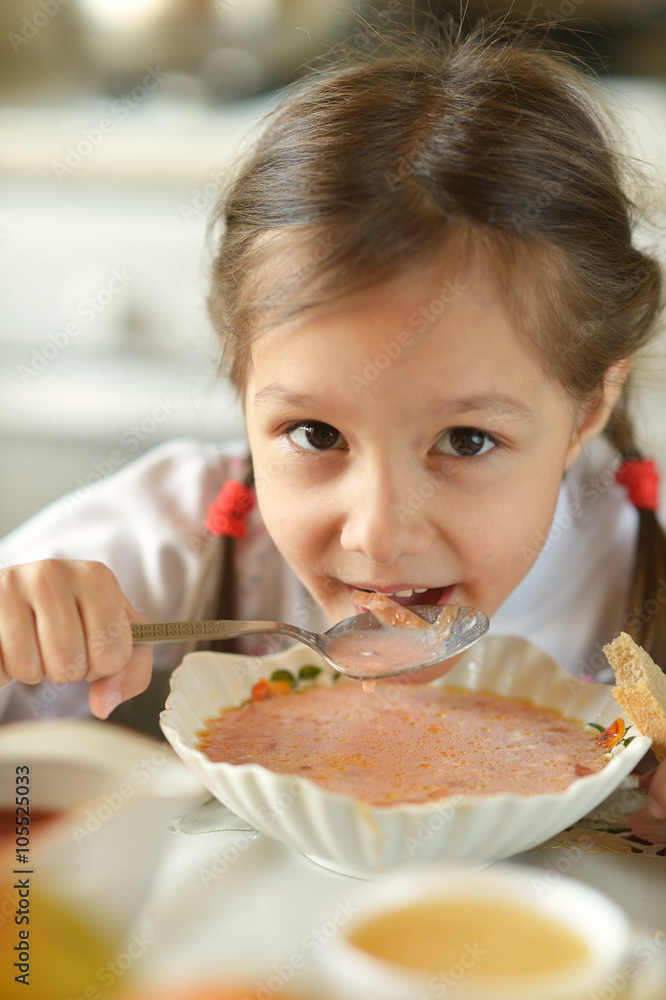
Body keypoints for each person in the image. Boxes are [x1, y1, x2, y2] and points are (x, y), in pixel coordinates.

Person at [1, 21, 665, 830]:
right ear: (243, 388)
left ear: (586, 412)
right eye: (316, 434)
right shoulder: (177, 531)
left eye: (466, 441)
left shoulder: (643, 559)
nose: (378, 536)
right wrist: (26, 632)